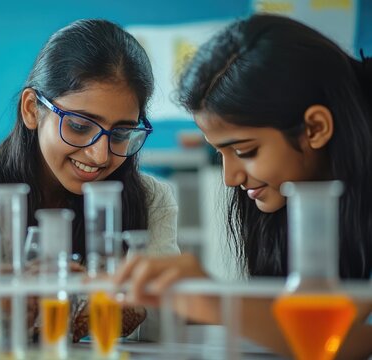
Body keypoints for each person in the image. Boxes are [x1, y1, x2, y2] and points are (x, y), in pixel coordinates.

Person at [114, 14, 372, 358]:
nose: (230, 178)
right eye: (218, 152)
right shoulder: (294, 201)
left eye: (245, 151)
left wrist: (219, 303)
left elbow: (354, 343)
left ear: (315, 128)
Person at [0, 19, 179, 341]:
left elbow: (161, 331)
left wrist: (136, 306)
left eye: (122, 133)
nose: (100, 156)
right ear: (32, 109)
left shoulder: (152, 200)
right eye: (79, 125)